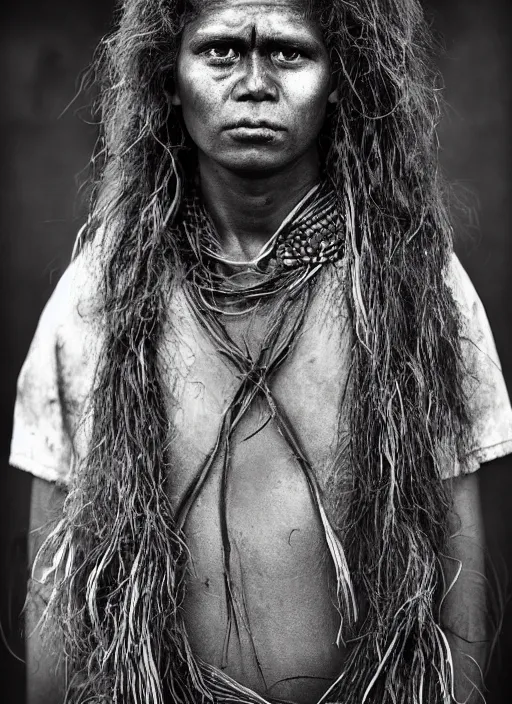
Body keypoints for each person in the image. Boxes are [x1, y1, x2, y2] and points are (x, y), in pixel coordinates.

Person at [9, 0, 512, 703]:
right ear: (170, 73)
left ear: (340, 77)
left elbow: (454, 602)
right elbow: (56, 602)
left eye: (287, 52)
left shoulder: (420, 291)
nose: (253, 82)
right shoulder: (97, 297)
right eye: (220, 50)